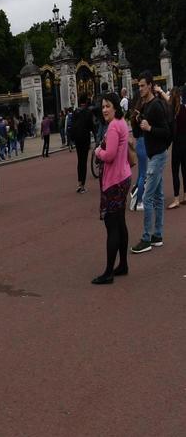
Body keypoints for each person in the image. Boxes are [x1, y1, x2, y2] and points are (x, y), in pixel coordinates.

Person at [93, 92, 133, 284]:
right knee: (120, 223)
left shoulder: (114, 126)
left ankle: (109, 271)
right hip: (123, 177)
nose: (105, 110)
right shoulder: (121, 123)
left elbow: (108, 155)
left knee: (112, 225)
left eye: (108, 106)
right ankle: (123, 264)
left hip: (115, 181)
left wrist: (97, 151)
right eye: (103, 107)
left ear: (115, 107)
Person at [135, 78, 172, 249]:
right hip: (153, 154)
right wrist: (138, 122)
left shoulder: (156, 105)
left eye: (142, 86)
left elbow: (166, 132)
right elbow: (138, 132)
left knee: (147, 198)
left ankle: (146, 238)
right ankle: (157, 235)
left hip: (157, 155)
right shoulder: (145, 105)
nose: (140, 89)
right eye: (139, 86)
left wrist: (149, 128)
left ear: (150, 86)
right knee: (158, 197)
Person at [69, 98, 95, 193]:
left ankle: (79, 182)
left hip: (77, 139)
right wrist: (96, 138)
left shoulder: (76, 112)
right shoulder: (88, 112)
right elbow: (91, 126)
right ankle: (82, 185)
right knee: (83, 161)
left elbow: (72, 125)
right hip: (84, 139)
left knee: (80, 161)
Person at [171, 87, 186, 210]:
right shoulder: (184, 109)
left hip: (176, 144)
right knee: (185, 171)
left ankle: (176, 198)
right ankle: (185, 196)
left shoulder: (172, 112)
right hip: (185, 142)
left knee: (175, 171)